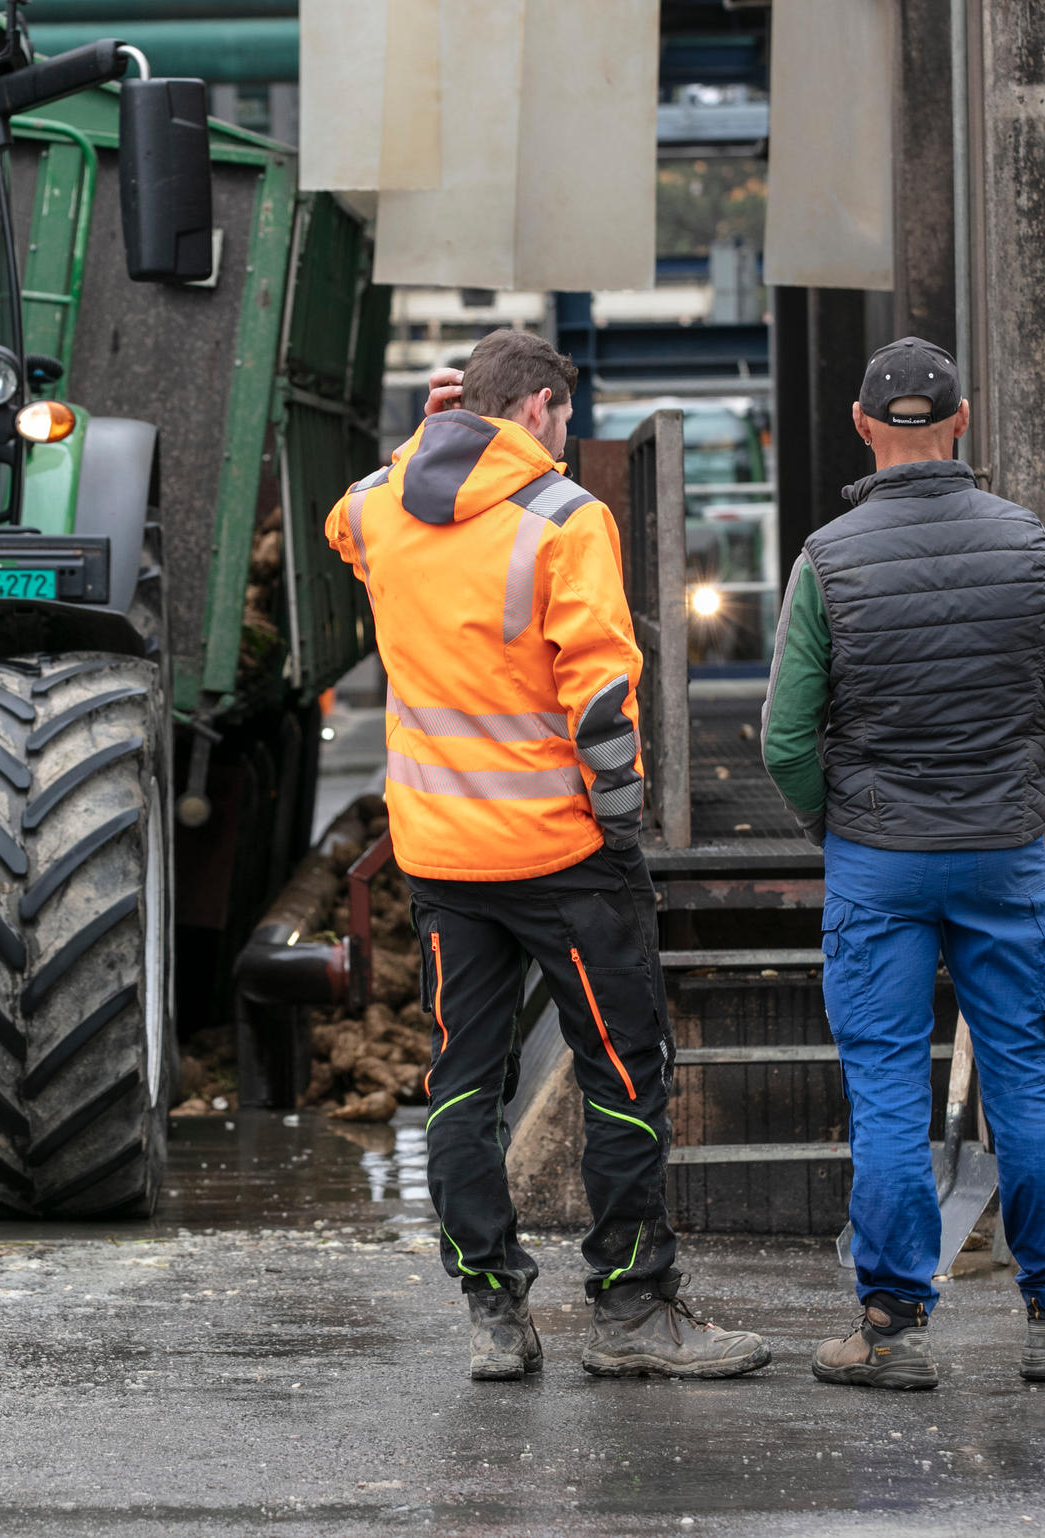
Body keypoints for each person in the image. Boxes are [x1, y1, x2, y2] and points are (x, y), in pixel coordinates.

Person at [329, 328, 770, 1382]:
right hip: (559, 854)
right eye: (562, 418)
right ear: (534, 409)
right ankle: (628, 1309)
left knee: (459, 1085)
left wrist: (422, 441)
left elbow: (344, 515)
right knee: (625, 1074)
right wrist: (620, 820)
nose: (567, 438)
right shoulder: (567, 518)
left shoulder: (385, 509)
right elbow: (604, 699)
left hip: (439, 855)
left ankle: (493, 1310)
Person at [761, 337, 1045, 1389]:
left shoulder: (827, 558)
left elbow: (786, 741)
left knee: (885, 1089)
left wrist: (837, 823)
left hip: (877, 858)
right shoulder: (1027, 547)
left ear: (862, 425)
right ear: (961, 421)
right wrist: (1028, 799)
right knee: (1023, 1085)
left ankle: (888, 1330)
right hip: (999, 852)